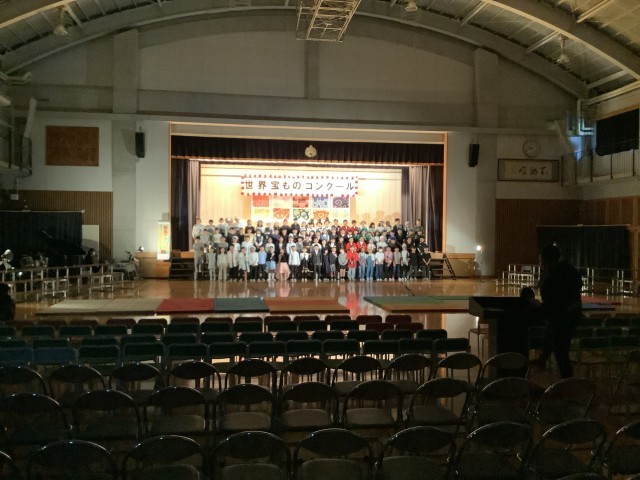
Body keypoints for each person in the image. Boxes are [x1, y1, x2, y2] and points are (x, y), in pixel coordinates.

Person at [534, 244, 582, 378]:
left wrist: (538, 306)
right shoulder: (569, 271)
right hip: (571, 316)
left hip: (561, 319)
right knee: (552, 338)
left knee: (561, 353)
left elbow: (553, 305)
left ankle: (568, 384)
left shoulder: (554, 278)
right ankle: (542, 360)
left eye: (540, 259)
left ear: (545, 260)